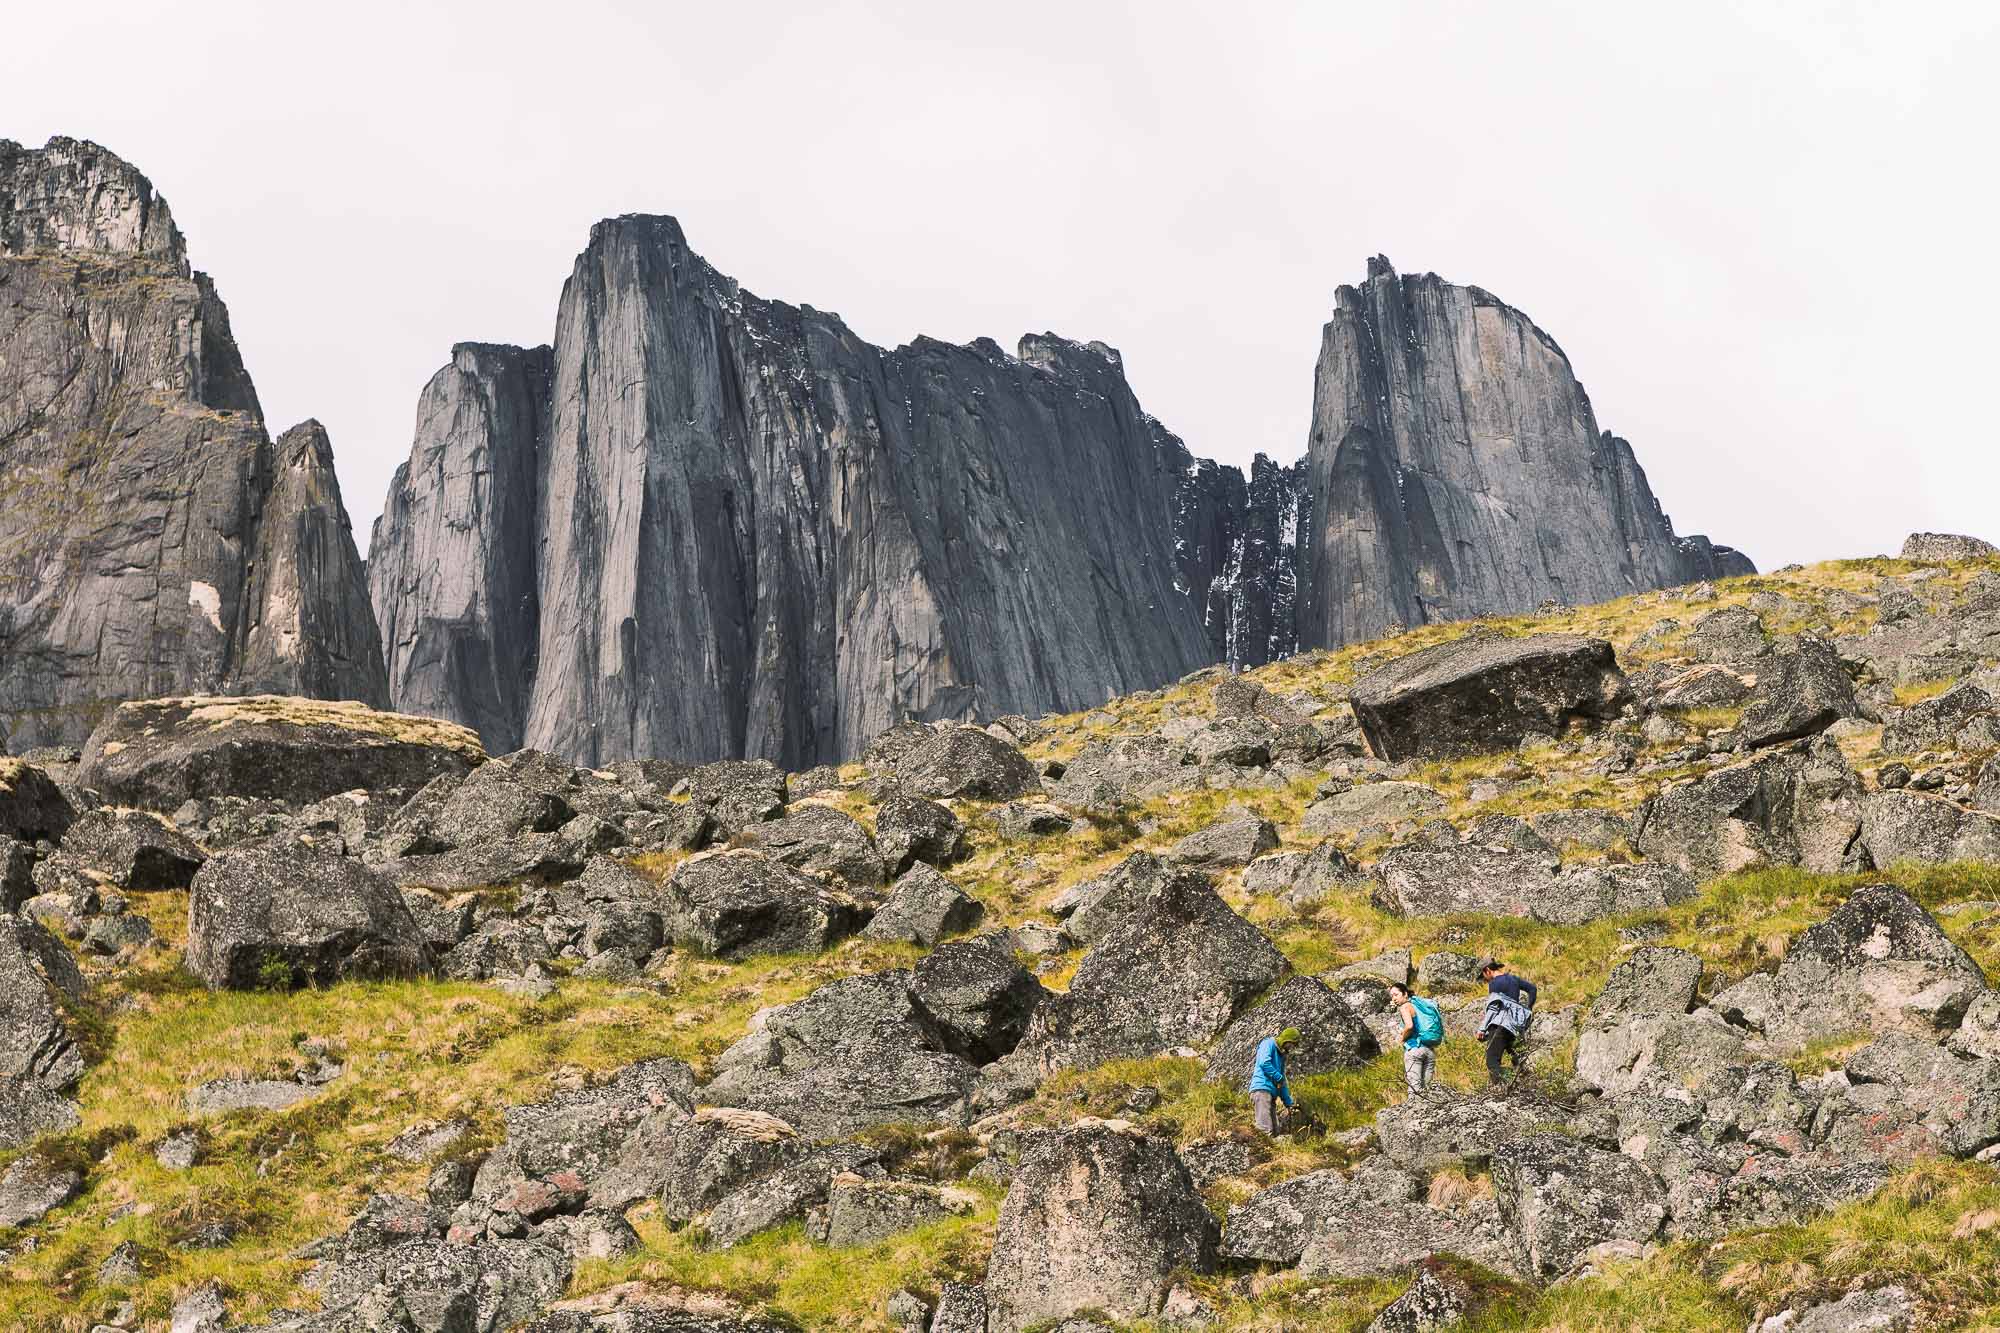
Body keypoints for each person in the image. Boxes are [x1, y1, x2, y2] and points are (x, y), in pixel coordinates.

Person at [1477, 958, 1538, 1085]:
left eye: (1483, 976)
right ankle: (1523, 1085)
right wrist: (1528, 1008)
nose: (1485, 979)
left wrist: (1482, 1029)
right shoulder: (1513, 979)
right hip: (1515, 1028)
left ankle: (1509, 1085)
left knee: (1492, 1063)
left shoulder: (1495, 983)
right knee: (1517, 1060)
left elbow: (1494, 1006)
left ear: (1487, 970)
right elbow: (1532, 989)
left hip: (1500, 1025)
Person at [1387, 983, 1443, 1095]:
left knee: (1415, 1090)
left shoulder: (1405, 1007)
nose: (1394, 998)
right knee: (1427, 1091)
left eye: (1396, 995)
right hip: (1429, 1051)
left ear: (1405, 994)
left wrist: (1402, 1039)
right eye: (1392, 996)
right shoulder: (1419, 1005)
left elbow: (1409, 1026)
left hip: (1414, 1050)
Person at [1249, 1027, 1300, 1134]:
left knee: (1276, 1131)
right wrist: (1278, 1077)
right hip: (1261, 1090)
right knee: (1265, 1129)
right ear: (1286, 1040)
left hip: (1271, 1093)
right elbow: (1264, 1063)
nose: (1292, 1047)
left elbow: (1282, 1080)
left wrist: (1288, 1102)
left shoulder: (1282, 1055)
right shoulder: (1268, 1044)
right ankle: (1261, 1149)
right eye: (1292, 1044)